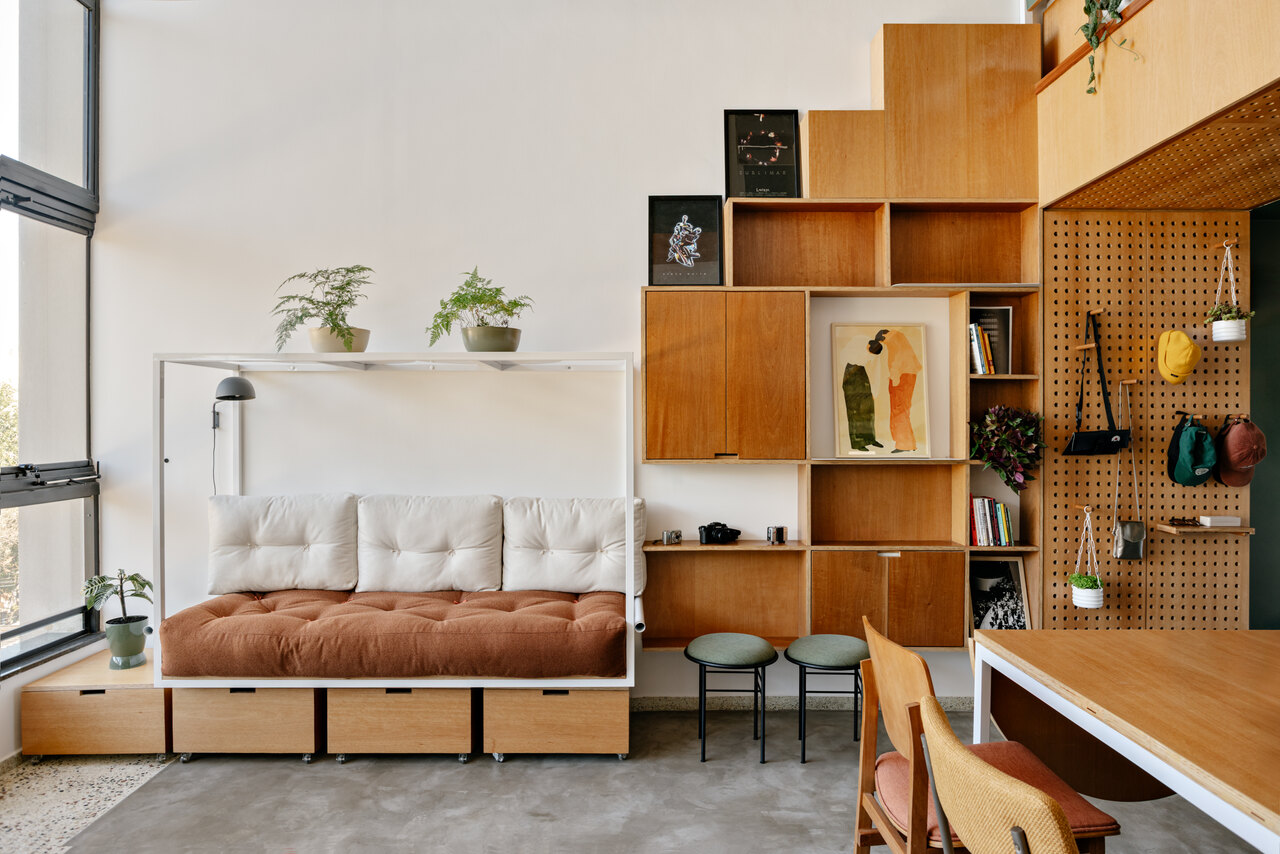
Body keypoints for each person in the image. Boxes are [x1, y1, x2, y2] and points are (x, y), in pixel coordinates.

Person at [867, 329, 921, 452]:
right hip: (905, 375)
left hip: (902, 376)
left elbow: (898, 357)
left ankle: (904, 445)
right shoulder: (899, 337)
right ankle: (908, 443)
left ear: (884, 336)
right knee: (902, 409)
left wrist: (894, 375)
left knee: (899, 410)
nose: (885, 344)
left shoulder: (893, 338)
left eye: (883, 342)